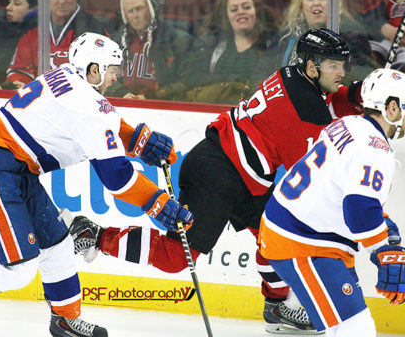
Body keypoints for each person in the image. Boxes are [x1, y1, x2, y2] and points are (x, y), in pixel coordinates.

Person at [71, 28, 364, 334]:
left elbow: (329, 100)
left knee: (276, 235)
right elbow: (311, 177)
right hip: (216, 175)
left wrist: (360, 95)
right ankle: (96, 235)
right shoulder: (304, 114)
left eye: (342, 65)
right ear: (311, 65)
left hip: (244, 175)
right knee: (175, 258)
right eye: (333, 65)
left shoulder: (292, 75)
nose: (341, 72)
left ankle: (277, 306)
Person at [0, 32, 193, 337]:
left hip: (11, 169)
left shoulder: (67, 78)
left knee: (58, 247)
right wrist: (157, 202)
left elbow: (101, 124)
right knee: (19, 269)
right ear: (93, 70)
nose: (116, 78)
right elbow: (117, 178)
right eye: (112, 71)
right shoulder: (87, 108)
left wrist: (140, 141)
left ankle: (65, 320)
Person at [258, 67, 405, 336]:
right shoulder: (373, 150)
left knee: (347, 324)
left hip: (302, 232)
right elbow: (359, 210)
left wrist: (382, 227)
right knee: (355, 327)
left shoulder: (349, 124)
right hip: (302, 242)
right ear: (392, 108)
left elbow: (341, 192)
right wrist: (385, 252)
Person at [5, 0, 110, 88]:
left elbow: (102, 80)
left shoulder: (94, 30)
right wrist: (22, 86)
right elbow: (19, 70)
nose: (62, 0)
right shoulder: (32, 26)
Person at [179, 0, 279, 105]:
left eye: (246, 7)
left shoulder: (273, 44)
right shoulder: (209, 43)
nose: (240, 12)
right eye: (233, 9)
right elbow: (192, 76)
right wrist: (231, 80)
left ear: (256, 11)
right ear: (226, 15)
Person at [103, 0, 193, 100]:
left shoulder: (177, 40)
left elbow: (187, 82)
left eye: (139, 9)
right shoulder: (116, 41)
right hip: (123, 104)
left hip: (161, 108)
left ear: (151, 9)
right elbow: (103, 75)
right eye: (130, 11)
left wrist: (151, 97)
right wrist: (120, 92)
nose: (135, 16)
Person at [277, 0, 375, 82]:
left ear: (334, 3)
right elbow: (266, 66)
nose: (316, 3)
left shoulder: (351, 33)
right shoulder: (289, 31)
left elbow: (364, 75)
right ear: (301, 5)